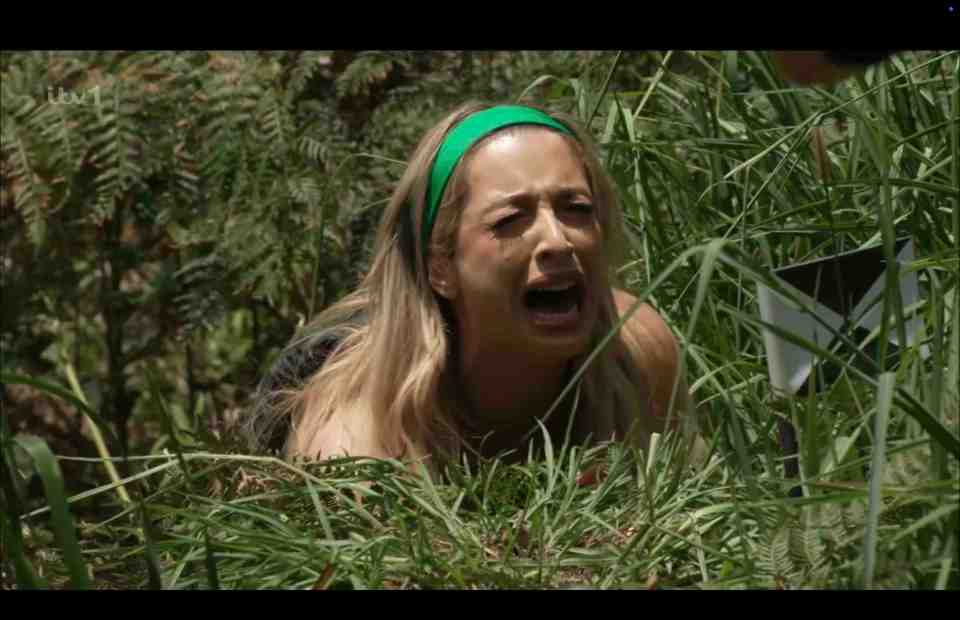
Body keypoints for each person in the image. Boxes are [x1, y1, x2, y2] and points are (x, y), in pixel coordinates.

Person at [247, 101, 696, 469]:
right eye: (509, 220)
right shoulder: (354, 449)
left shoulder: (639, 352)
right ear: (440, 267)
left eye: (576, 208)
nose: (558, 241)